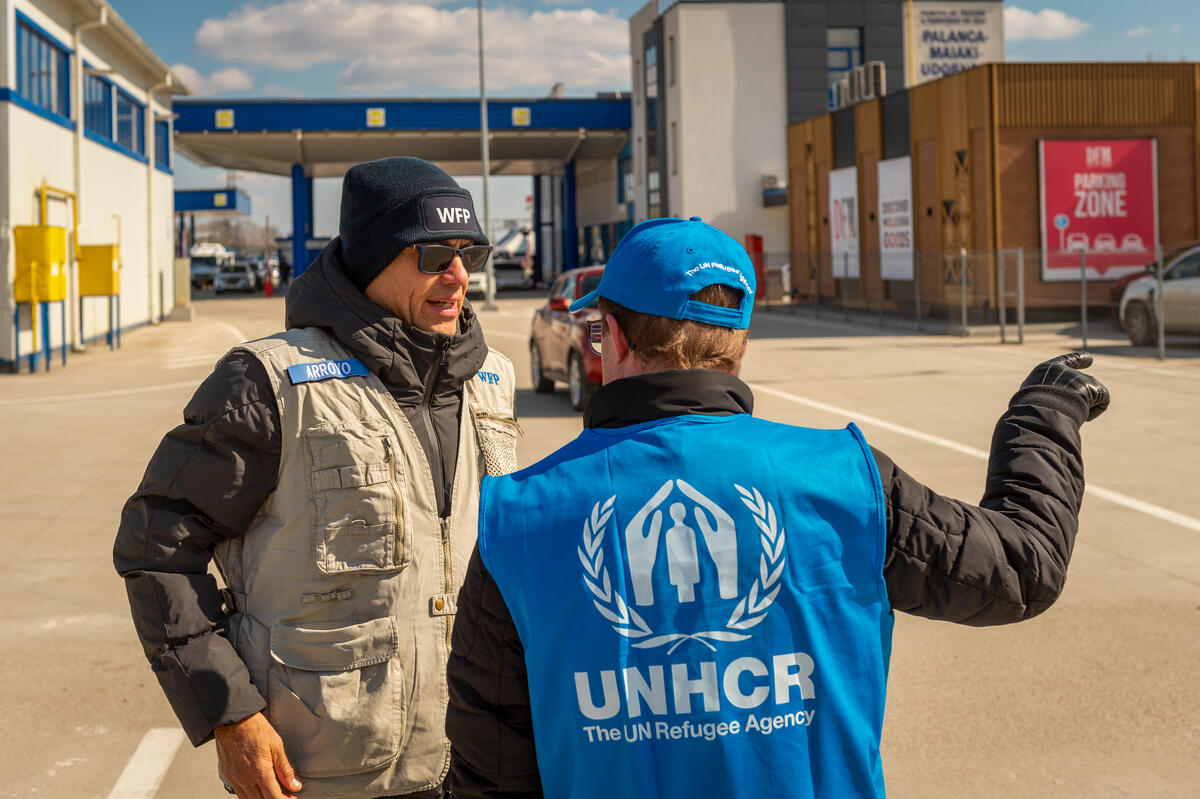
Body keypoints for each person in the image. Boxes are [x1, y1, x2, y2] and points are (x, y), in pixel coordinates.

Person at [445, 217, 1109, 799]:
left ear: (612, 336)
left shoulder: (518, 522)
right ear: (738, 345)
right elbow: (1022, 567)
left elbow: (491, 775)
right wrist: (1042, 415)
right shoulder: (846, 479)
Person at [115, 157, 520, 799]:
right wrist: (231, 715)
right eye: (433, 254)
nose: (458, 275)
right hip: (329, 772)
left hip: (480, 760)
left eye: (470, 252)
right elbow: (156, 548)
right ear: (369, 259)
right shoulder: (268, 384)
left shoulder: (492, 378)